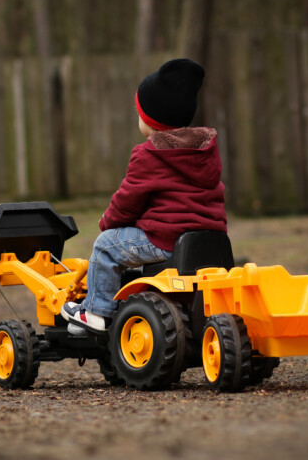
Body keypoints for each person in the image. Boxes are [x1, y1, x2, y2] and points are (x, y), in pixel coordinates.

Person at [61, 58, 227, 335]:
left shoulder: (149, 154)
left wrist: (108, 222)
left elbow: (128, 199)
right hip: (209, 237)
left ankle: (96, 312)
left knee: (105, 246)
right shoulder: (204, 150)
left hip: (166, 239)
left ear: (150, 121)